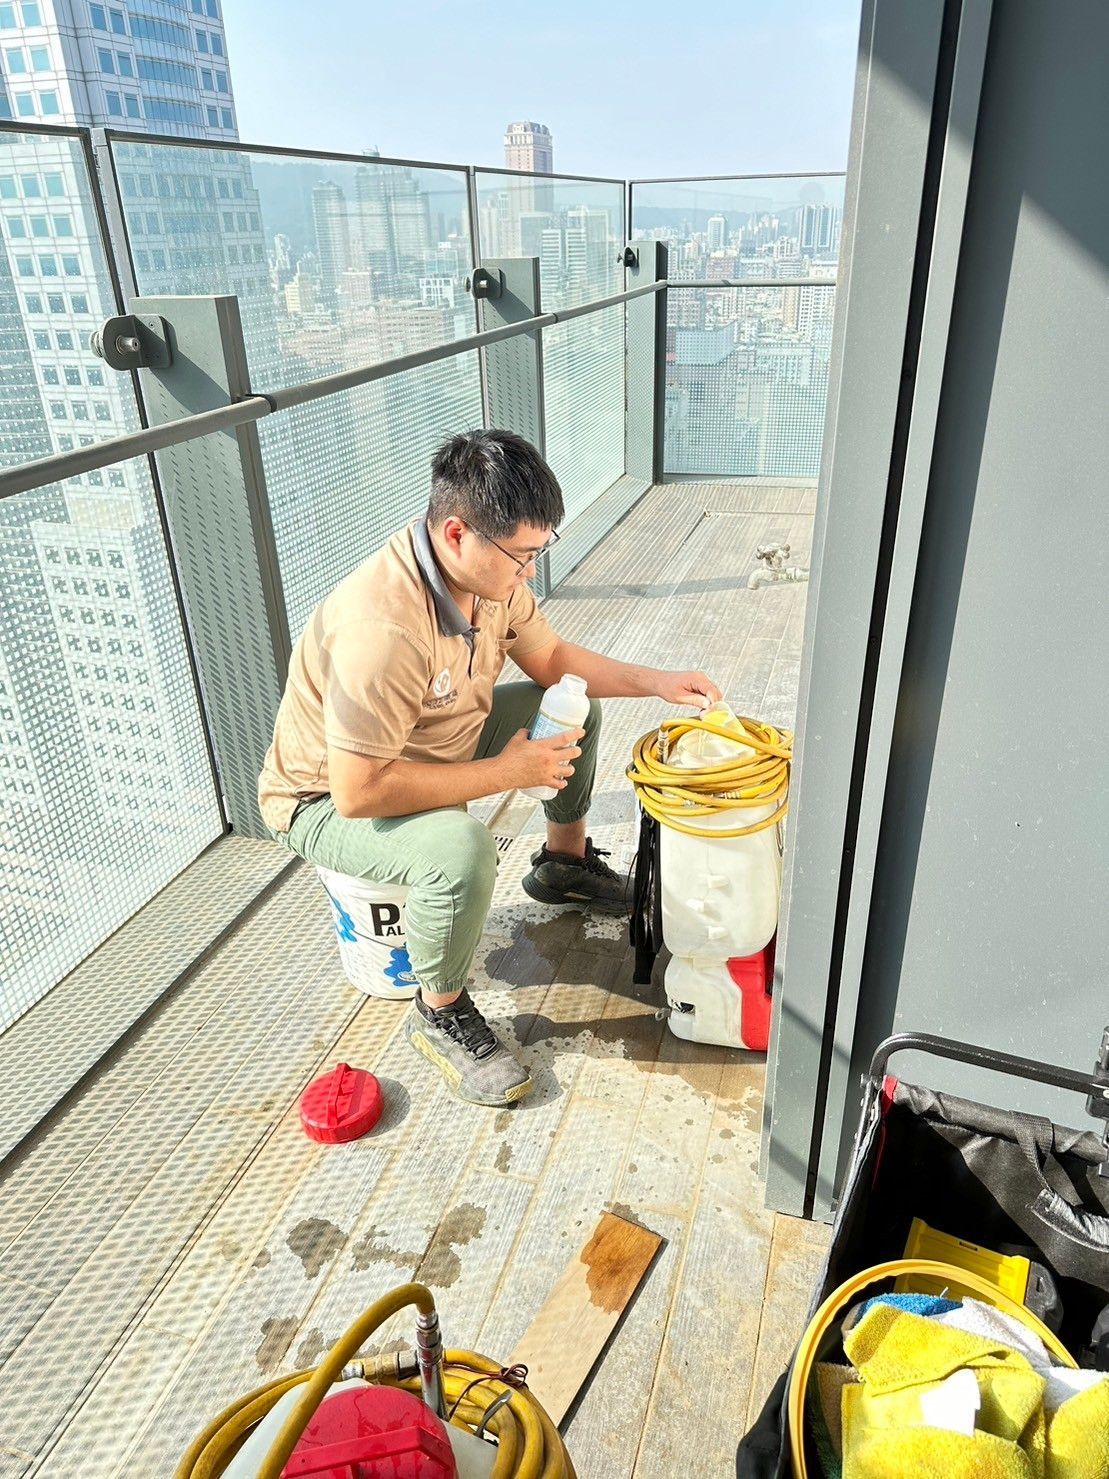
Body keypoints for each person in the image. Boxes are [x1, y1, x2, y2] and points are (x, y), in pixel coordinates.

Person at [259, 429, 720, 1109]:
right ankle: (438, 1007)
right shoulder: (379, 630)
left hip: (431, 743)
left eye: (539, 551)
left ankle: (562, 866)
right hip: (323, 797)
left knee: (570, 708)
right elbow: (361, 791)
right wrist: (508, 771)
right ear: (455, 534)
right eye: (521, 556)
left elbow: (552, 662)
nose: (528, 570)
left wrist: (658, 681)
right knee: (460, 847)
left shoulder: (487, 576)